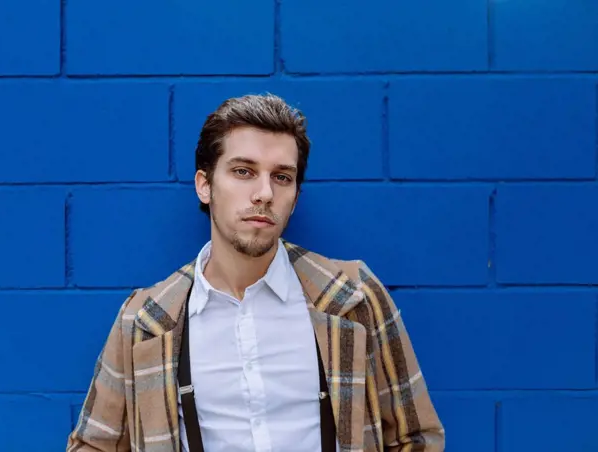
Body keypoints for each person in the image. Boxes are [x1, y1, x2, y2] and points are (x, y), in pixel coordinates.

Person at [67, 93, 445, 452]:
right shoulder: (146, 322)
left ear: (295, 196)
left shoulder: (353, 297)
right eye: (244, 171)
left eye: (282, 177)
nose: (264, 193)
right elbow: (93, 444)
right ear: (204, 185)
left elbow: (417, 437)